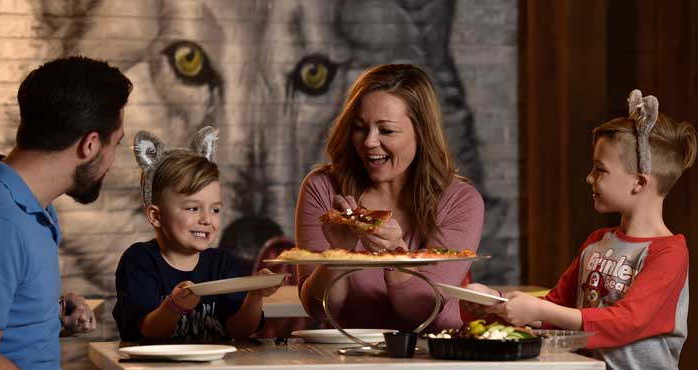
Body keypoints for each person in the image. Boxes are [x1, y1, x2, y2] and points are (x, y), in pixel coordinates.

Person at [467, 90, 695, 370]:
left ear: (639, 183)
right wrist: (496, 302)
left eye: (600, 170)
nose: (589, 178)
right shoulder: (597, 242)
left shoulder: (668, 253)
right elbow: (556, 308)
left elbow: (625, 322)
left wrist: (539, 309)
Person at [0, 56, 132, 370]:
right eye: (116, 144)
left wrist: (49, 316)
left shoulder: (27, 207)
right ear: (90, 145)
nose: (113, 161)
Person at [296, 63, 485, 333]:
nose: (369, 142)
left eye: (386, 130)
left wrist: (396, 256)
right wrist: (338, 254)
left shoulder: (461, 201)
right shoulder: (322, 188)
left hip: (434, 355)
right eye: (360, 128)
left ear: (421, 133)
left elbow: (421, 311)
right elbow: (318, 308)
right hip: (348, 357)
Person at [113, 129, 281, 344]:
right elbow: (149, 331)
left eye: (215, 210)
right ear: (156, 216)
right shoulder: (139, 261)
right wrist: (174, 307)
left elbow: (240, 330)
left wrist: (255, 294)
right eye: (193, 208)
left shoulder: (223, 264)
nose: (207, 220)